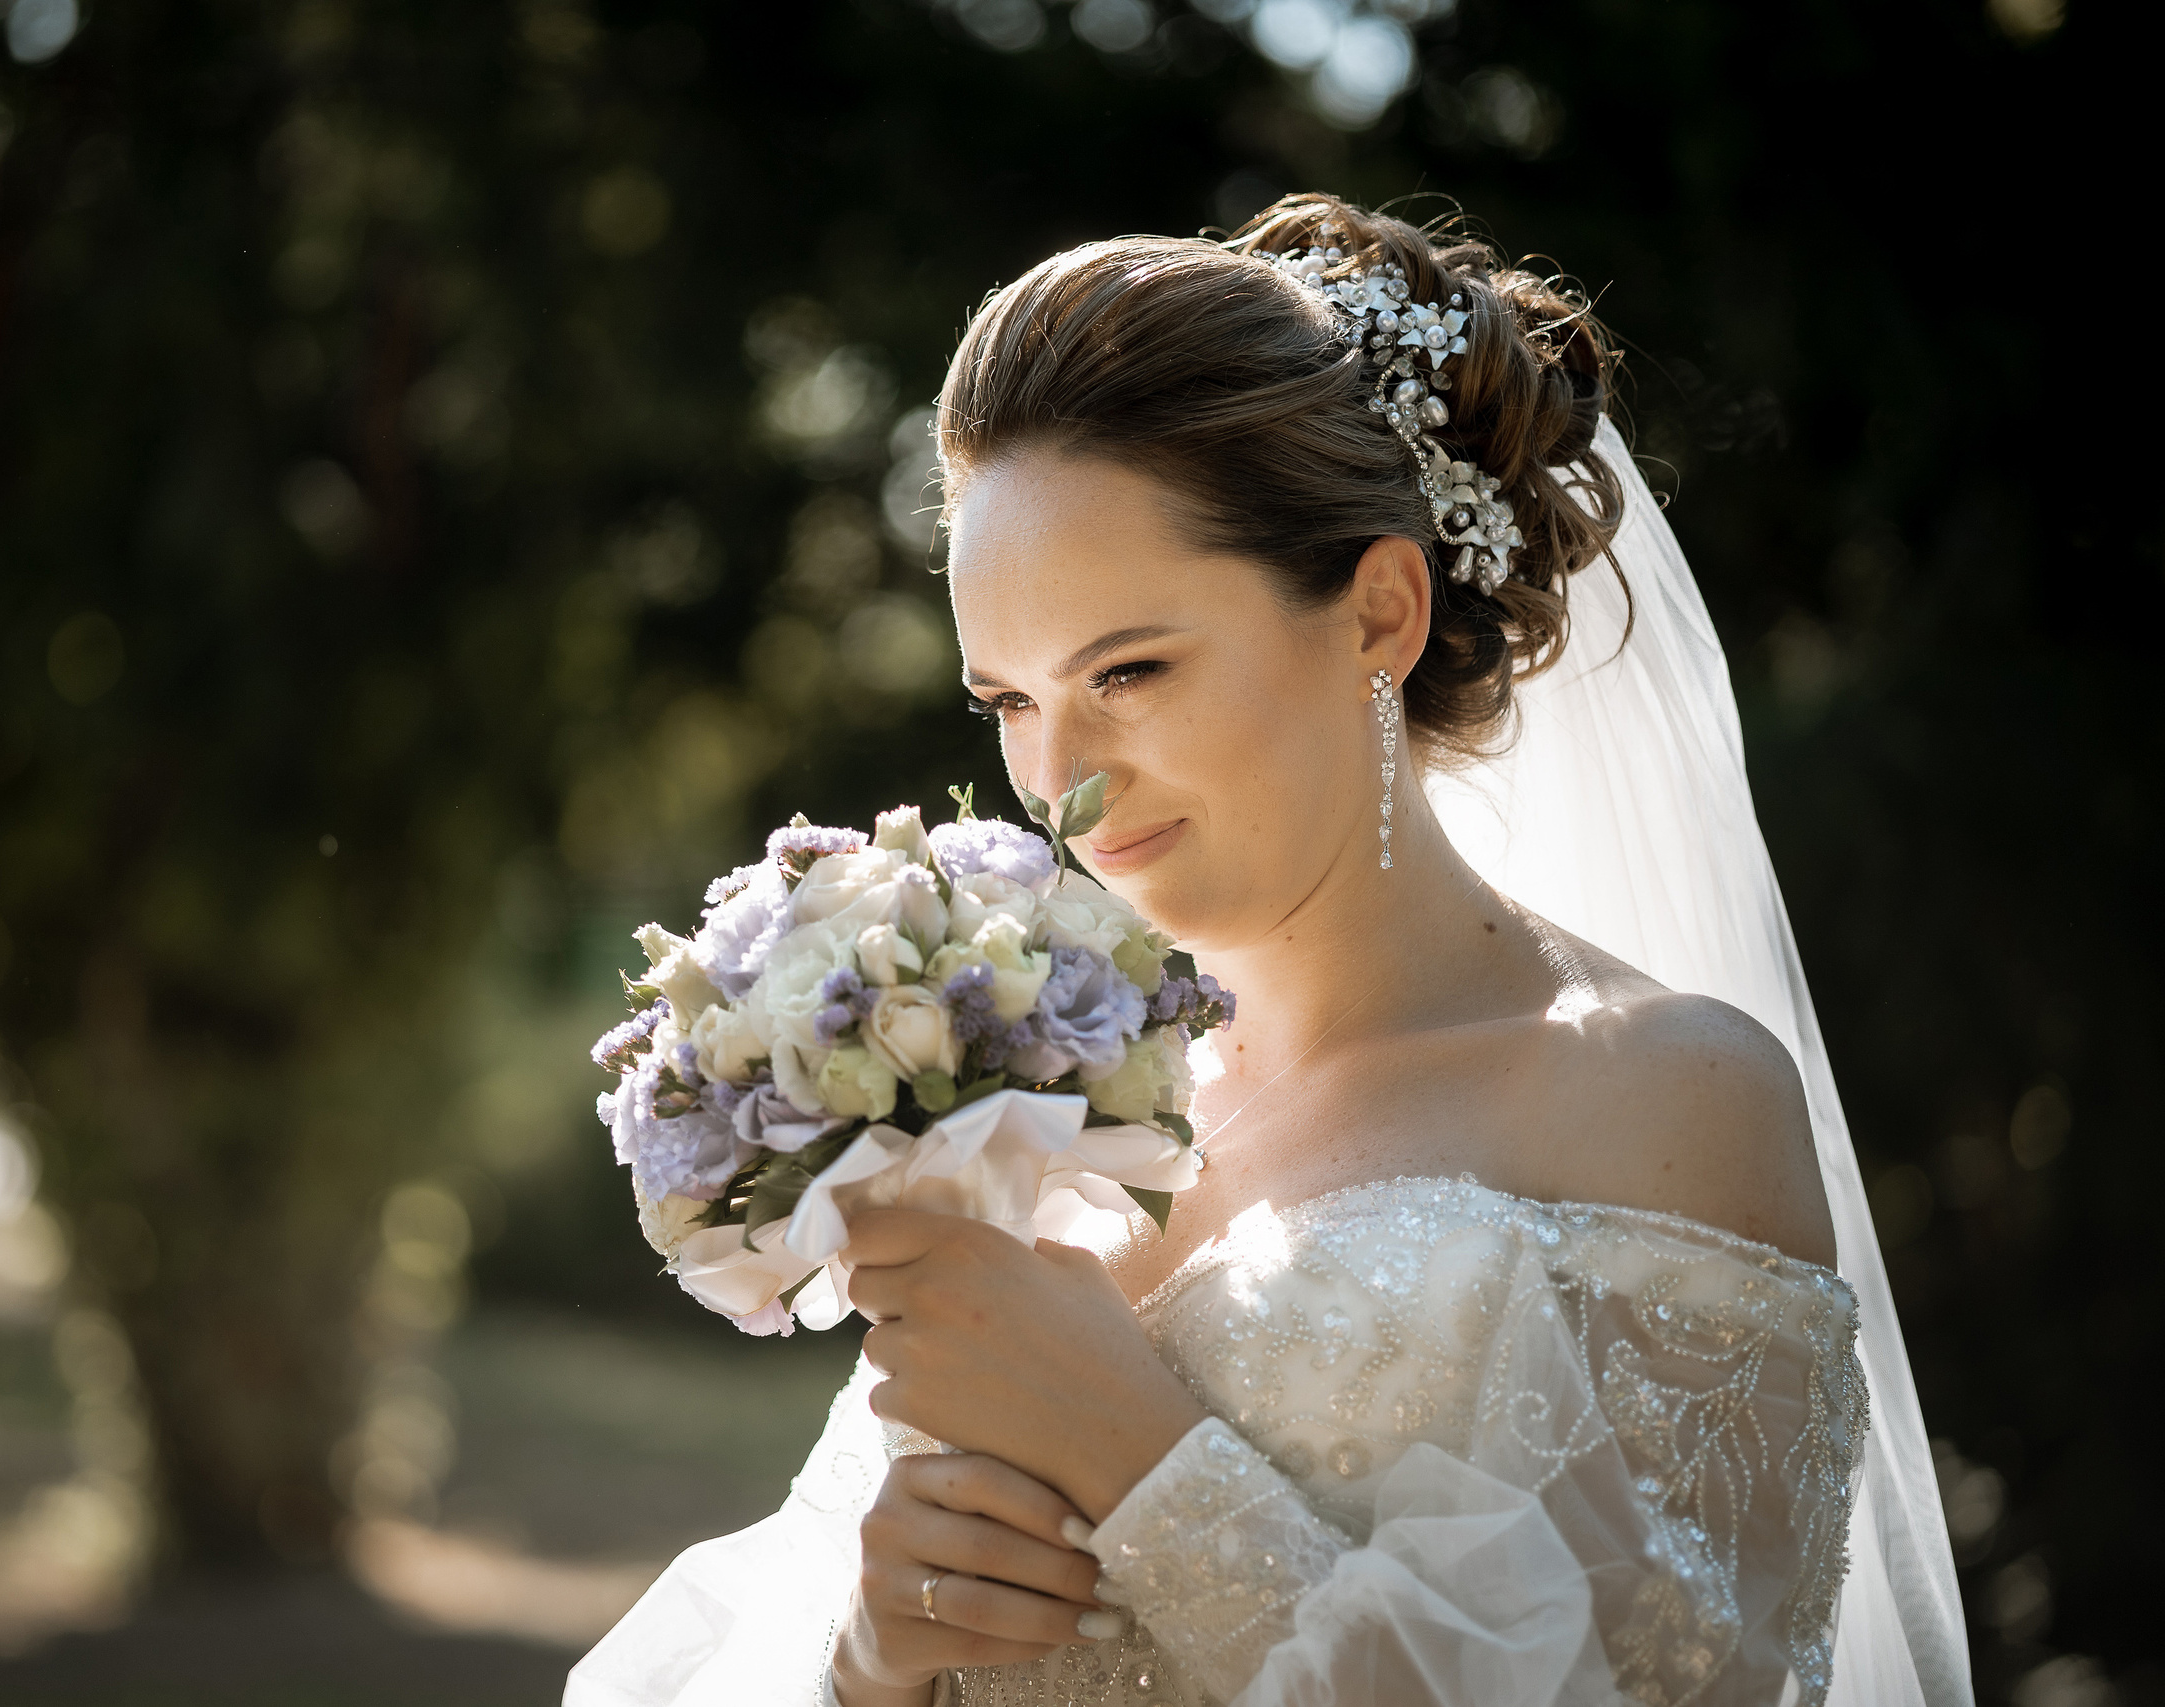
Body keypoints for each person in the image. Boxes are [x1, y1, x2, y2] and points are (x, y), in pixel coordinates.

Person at [567, 195, 1968, 1707]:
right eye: (1010, 703)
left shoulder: (1668, 1096)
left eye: (1131, 670)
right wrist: (873, 1658)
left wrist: (1136, 1452)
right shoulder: (1040, 1112)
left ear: (1379, 610)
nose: (1062, 784)